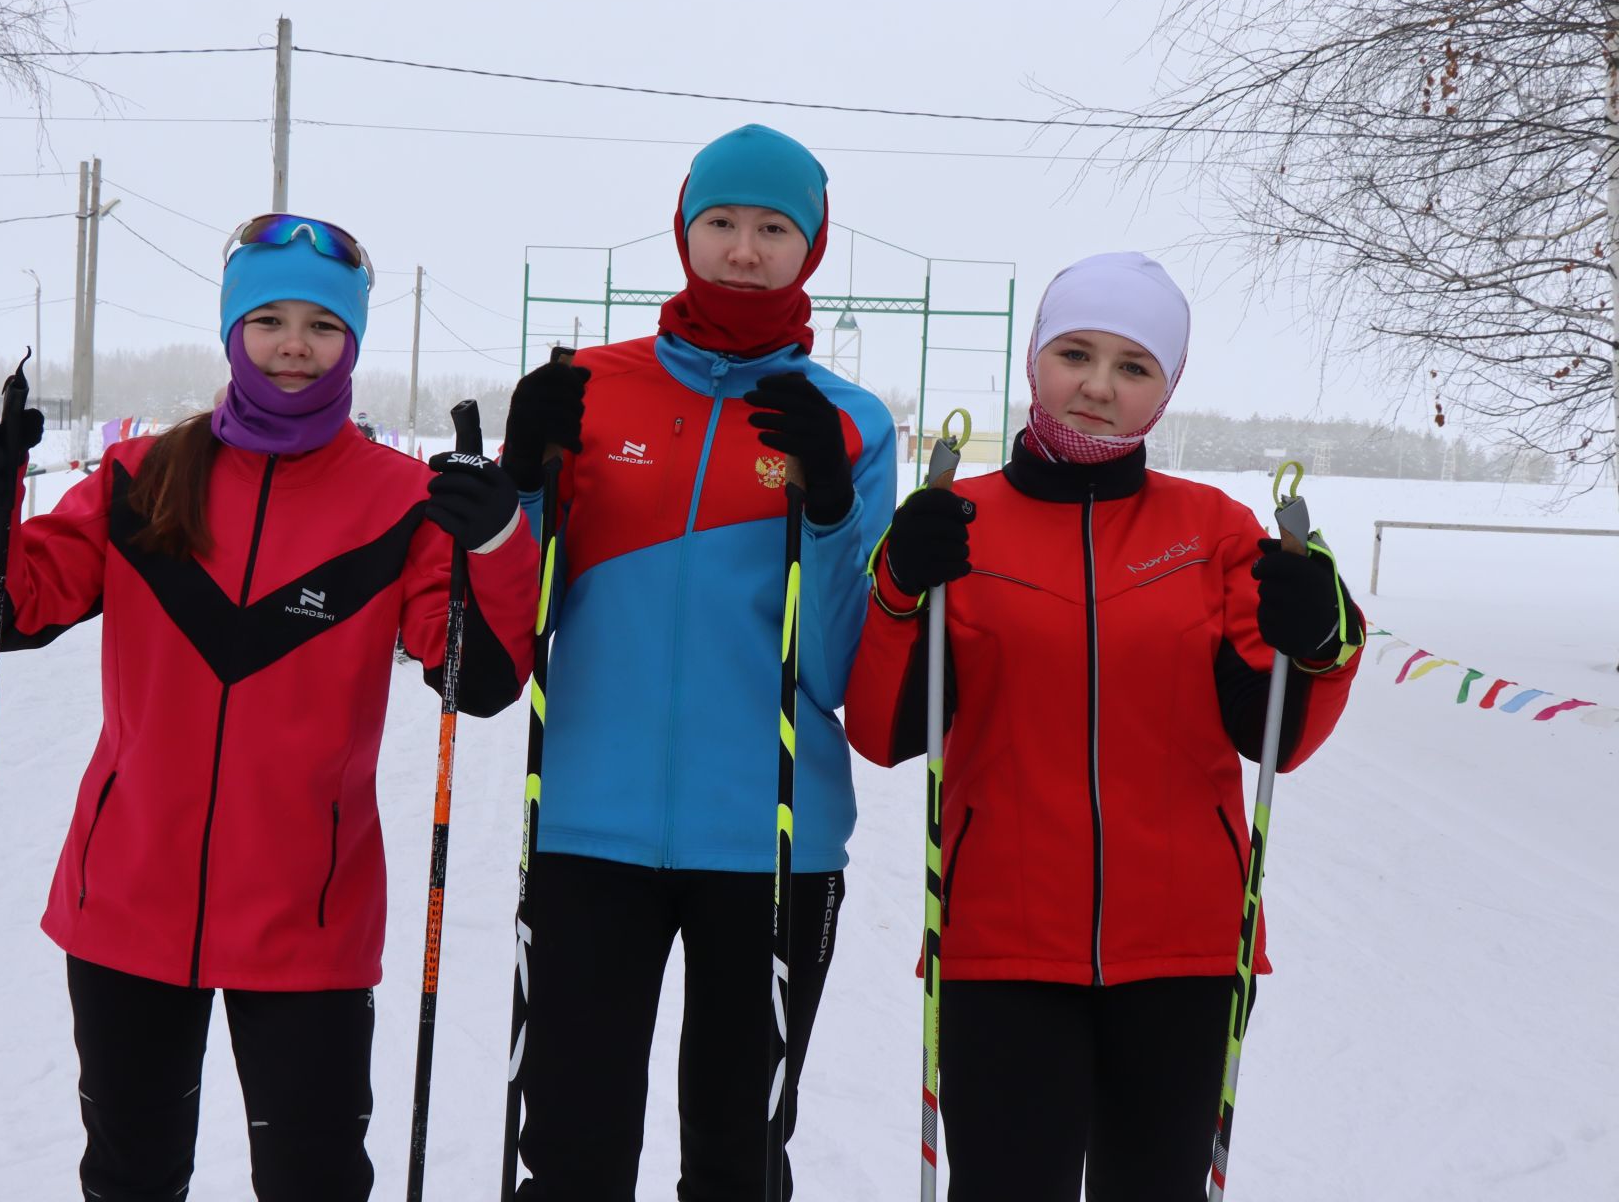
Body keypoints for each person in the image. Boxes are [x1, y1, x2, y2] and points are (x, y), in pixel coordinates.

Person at [0, 213, 539, 1201]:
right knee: (130, 1177)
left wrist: (499, 538)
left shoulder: (401, 501)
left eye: (322, 325)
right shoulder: (143, 478)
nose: (295, 345)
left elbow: (479, 674)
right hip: (127, 903)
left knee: (314, 1180)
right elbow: (2, 608)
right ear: (230, 332)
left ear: (353, 342)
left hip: (310, 918)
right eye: (268, 319)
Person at [844, 251, 1366, 1201]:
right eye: (1075, 354)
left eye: (1134, 367)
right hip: (1002, 942)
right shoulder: (959, 524)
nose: (1097, 386)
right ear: (1034, 362)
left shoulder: (1213, 530)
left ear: (1165, 391)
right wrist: (898, 588)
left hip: (1185, 950)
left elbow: (1275, 735)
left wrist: (1326, 640)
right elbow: (882, 732)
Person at [500, 124, 898, 1200]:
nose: (743, 249)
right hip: (589, 829)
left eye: (774, 228)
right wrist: (520, 490)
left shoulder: (849, 423)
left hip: (772, 843)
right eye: (720, 222)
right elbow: (509, 623)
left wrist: (823, 508)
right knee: (572, 1155)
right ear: (683, 227)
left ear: (810, 247)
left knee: (735, 1156)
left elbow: (835, 671)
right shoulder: (586, 389)